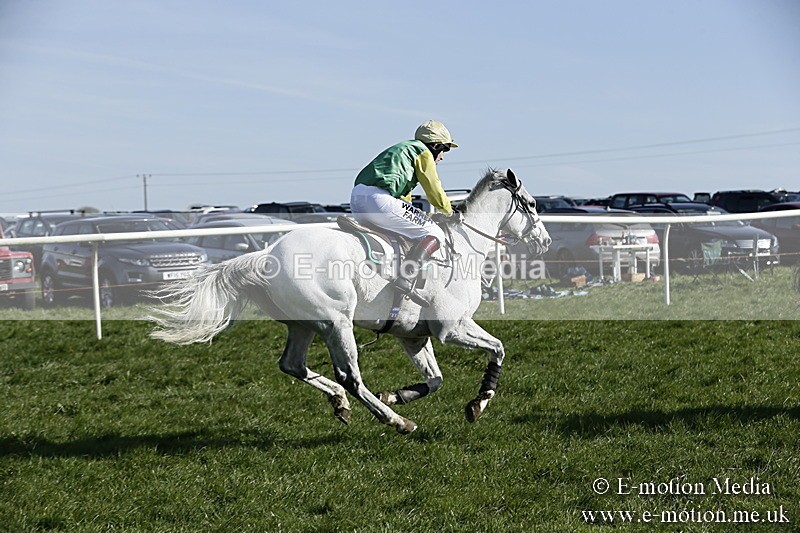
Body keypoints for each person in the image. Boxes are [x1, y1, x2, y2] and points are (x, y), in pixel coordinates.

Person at [350, 120, 457, 307]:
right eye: (444, 150)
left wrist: (423, 217)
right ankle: (406, 279)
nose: (442, 157)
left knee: (415, 229)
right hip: (378, 200)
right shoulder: (422, 152)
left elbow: (404, 202)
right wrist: (449, 211)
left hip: (358, 199)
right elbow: (434, 189)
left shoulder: (403, 150)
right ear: (435, 146)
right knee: (435, 233)